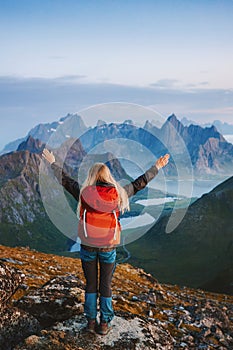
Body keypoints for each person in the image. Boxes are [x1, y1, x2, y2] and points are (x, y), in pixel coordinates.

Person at [42, 148, 169, 335]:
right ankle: (104, 324)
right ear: (108, 176)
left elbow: (65, 180)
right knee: (105, 285)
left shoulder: (84, 193)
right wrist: (157, 167)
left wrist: (53, 162)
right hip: (108, 246)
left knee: (91, 284)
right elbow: (140, 183)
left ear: (92, 176)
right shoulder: (119, 194)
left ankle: (91, 321)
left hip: (87, 246)